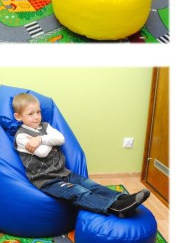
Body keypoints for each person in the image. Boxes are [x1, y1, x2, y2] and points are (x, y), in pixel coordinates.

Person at [12, 92, 150, 217]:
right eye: (30, 114)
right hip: (46, 180)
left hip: (63, 172)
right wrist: (50, 140)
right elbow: (42, 153)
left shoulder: (45, 126)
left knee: (90, 184)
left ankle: (122, 198)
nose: (36, 117)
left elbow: (60, 139)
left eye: (38, 112)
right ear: (18, 117)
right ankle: (115, 207)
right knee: (78, 191)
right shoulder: (21, 137)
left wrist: (40, 139)